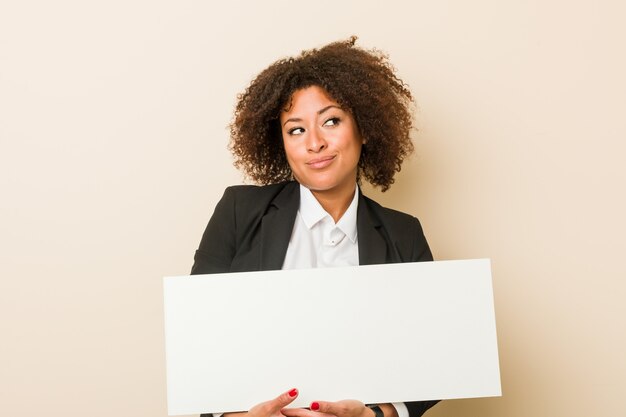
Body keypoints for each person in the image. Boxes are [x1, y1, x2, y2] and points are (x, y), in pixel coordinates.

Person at [191, 37, 439, 417]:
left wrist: (378, 414)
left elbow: (431, 359)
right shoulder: (238, 211)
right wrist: (234, 416)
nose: (315, 143)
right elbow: (199, 338)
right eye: (296, 130)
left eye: (331, 121)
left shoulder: (404, 234)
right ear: (281, 144)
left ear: (365, 128)